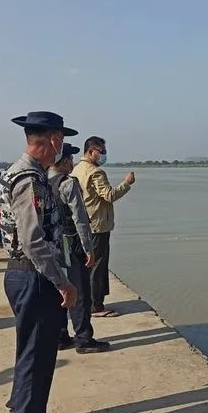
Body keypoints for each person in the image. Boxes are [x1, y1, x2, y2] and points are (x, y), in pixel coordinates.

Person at [0, 111, 78, 413]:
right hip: (32, 274)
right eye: (60, 140)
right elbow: (33, 240)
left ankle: (21, 411)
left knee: (31, 348)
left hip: (26, 272)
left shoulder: (29, 174)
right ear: (53, 140)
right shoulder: (28, 179)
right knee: (39, 351)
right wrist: (62, 281)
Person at [49, 143, 110, 354]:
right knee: (79, 290)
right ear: (65, 162)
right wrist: (88, 249)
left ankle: (60, 336)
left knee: (59, 289)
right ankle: (84, 338)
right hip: (70, 242)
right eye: (70, 160)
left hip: (52, 243)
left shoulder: (43, 182)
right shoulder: (68, 183)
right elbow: (80, 219)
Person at [71, 136, 135, 317]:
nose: (104, 155)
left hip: (84, 223)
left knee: (87, 265)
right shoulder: (95, 172)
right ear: (91, 151)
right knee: (98, 266)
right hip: (98, 225)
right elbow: (109, 195)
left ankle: (88, 301)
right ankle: (96, 305)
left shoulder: (77, 169)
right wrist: (127, 184)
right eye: (102, 152)